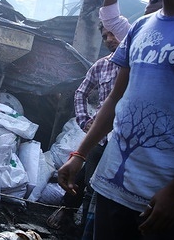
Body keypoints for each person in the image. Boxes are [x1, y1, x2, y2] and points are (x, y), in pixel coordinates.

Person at [58, 0, 174, 239]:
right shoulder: (140, 28)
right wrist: (80, 154)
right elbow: (114, 99)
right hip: (112, 188)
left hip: (162, 205)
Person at [46, 22, 120, 231]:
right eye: (105, 36)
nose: (109, 40)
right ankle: (84, 230)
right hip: (101, 137)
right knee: (91, 187)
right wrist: (84, 121)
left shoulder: (140, 65)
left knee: (111, 192)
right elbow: (81, 93)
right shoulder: (102, 65)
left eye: (113, 34)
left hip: (125, 141)